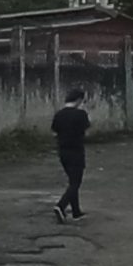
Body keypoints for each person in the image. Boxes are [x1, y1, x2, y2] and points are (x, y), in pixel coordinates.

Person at [51, 88, 91, 222]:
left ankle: (76, 211)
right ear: (79, 100)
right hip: (76, 151)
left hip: (63, 152)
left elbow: (54, 131)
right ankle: (61, 206)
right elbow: (87, 130)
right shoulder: (80, 114)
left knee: (72, 182)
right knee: (76, 182)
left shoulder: (59, 115)